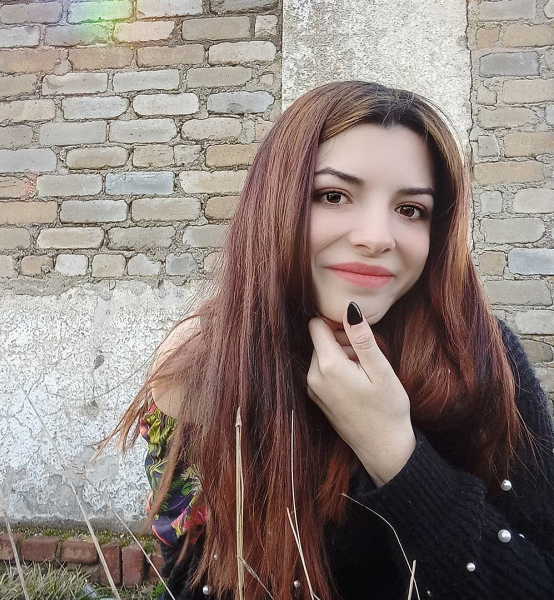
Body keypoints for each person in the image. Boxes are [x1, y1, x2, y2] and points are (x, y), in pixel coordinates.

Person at [111, 81, 554, 599]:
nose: (376, 237)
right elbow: (196, 581)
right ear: (274, 204)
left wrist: (394, 451)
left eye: (411, 209)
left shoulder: (483, 356)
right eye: (333, 196)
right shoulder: (202, 363)